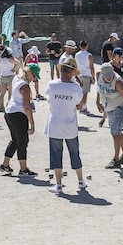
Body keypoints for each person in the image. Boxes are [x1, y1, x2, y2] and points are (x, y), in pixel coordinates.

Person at [44, 58, 88, 194]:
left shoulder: (51, 85)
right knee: (75, 153)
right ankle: (80, 181)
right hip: (70, 125)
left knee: (56, 155)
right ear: (73, 73)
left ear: (61, 70)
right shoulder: (75, 88)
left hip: (55, 124)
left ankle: (58, 184)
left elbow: (49, 100)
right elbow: (79, 105)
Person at [1, 64, 37, 177]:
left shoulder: (17, 78)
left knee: (15, 140)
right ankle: (23, 169)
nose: (34, 79)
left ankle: (5, 164)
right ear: (29, 74)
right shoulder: (25, 87)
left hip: (9, 112)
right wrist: (32, 123)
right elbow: (27, 106)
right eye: (34, 76)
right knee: (22, 141)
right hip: (18, 114)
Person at [96, 62, 123, 169]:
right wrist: (97, 101)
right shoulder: (98, 75)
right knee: (117, 131)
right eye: (106, 75)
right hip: (108, 106)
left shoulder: (118, 82)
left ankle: (116, 159)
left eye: (110, 74)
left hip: (118, 106)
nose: (108, 77)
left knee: (115, 133)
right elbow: (99, 88)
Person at [74, 40, 95, 114]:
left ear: (80, 46)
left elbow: (75, 66)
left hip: (79, 74)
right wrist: (93, 77)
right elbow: (91, 67)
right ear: (87, 46)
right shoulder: (89, 55)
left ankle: (79, 105)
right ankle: (83, 107)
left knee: (79, 92)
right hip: (86, 74)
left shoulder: (76, 55)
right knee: (85, 92)